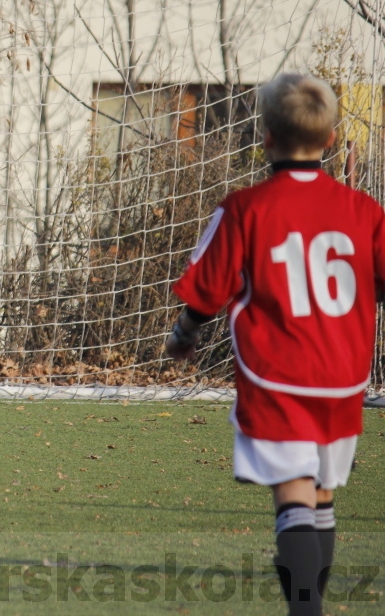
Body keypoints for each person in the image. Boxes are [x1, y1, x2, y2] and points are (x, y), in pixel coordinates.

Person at [167, 73, 385, 616]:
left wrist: (184, 333)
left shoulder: (245, 209)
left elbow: (206, 289)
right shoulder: (363, 212)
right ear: (332, 139)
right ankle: (311, 600)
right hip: (343, 375)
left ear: (263, 137)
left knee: (293, 494)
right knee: (322, 496)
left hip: (277, 374)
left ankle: (304, 608)